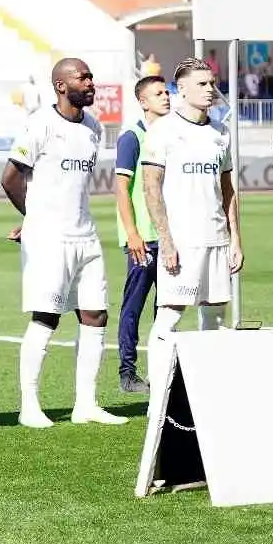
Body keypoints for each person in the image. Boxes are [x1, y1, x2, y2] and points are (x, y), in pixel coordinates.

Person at [1, 57, 124, 429]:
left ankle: (86, 403)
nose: (91, 83)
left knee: (95, 314)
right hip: (49, 237)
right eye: (82, 78)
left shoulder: (93, 127)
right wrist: (33, 218)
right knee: (47, 317)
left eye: (91, 77)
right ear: (60, 85)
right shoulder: (39, 124)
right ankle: (30, 405)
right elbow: (9, 178)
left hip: (85, 234)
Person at [138, 59, 243, 404]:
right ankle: (158, 396)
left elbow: (228, 190)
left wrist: (235, 239)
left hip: (216, 239)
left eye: (212, 83)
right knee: (170, 315)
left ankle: (206, 394)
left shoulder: (220, 132)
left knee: (214, 314)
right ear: (181, 89)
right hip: (182, 242)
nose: (210, 89)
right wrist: (166, 240)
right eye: (202, 84)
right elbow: (151, 187)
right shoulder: (163, 131)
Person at [113, 75, 171, 394]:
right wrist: (132, 234)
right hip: (143, 240)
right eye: (158, 93)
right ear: (143, 101)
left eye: (167, 92)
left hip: (168, 240)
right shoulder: (132, 137)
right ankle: (127, 372)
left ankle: (160, 370)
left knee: (166, 308)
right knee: (134, 306)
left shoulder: (173, 136)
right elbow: (121, 189)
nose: (166, 97)